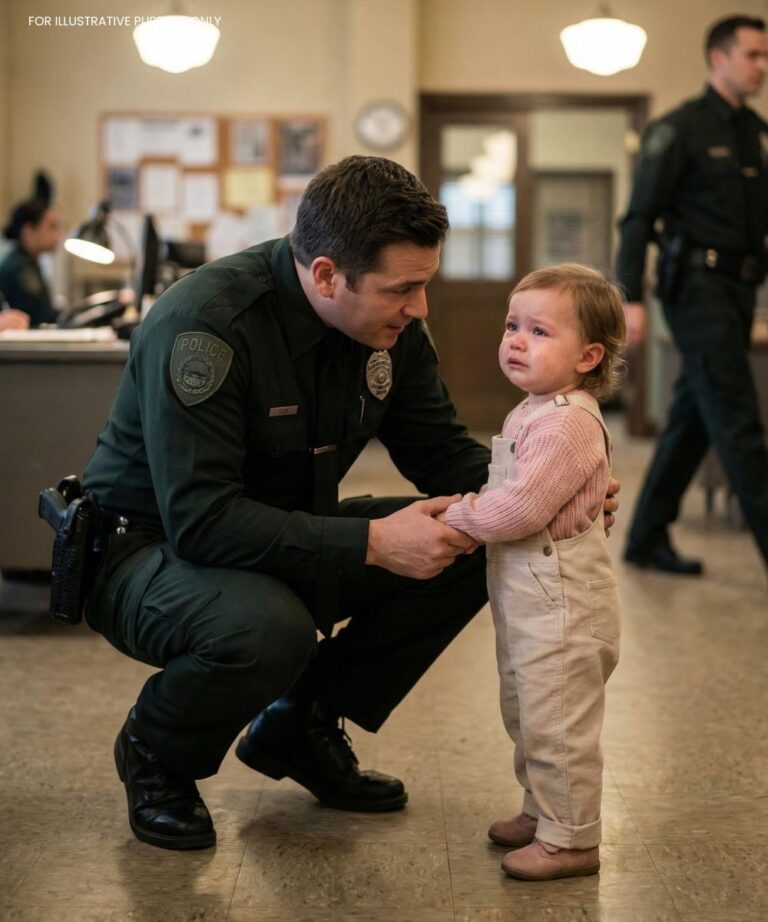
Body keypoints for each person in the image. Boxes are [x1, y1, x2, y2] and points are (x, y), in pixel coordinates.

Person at [81, 156, 619, 851]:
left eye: (424, 284)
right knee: (266, 628)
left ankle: (300, 722)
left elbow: (439, 451)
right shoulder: (206, 327)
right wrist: (372, 544)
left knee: (472, 540)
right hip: (149, 552)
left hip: (285, 527)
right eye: (403, 289)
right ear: (327, 275)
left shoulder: (390, 326)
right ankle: (157, 751)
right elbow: (203, 522)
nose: (420, 308)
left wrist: (545, 489)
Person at [441, 264, 625, 881]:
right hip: (531, 603)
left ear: (588, 356)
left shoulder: (568, 422)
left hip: (565, 609)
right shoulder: (532, 410)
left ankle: (572, 840)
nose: (516, 341)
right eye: (511, 326)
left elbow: (521, 509)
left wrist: (460, 518)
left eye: (539, 331)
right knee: (527, 713)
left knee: (559, 724)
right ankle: (543, 811)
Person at [618, 15, 768, 576]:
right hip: (696, 290)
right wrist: (630, 298)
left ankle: (645, 537)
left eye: (765, 57)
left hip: (740, 288)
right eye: (752, 55)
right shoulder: (678, 129)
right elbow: (637, 218)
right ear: (718, 58)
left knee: (695, 414)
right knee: (737, 418)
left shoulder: (756, 133)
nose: (762, 67)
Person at [0, 199, 62, 326]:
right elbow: (40, 316)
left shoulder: (28, 262)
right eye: (51, 227)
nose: (58, 235)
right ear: (28, 231)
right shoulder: (18, 267)